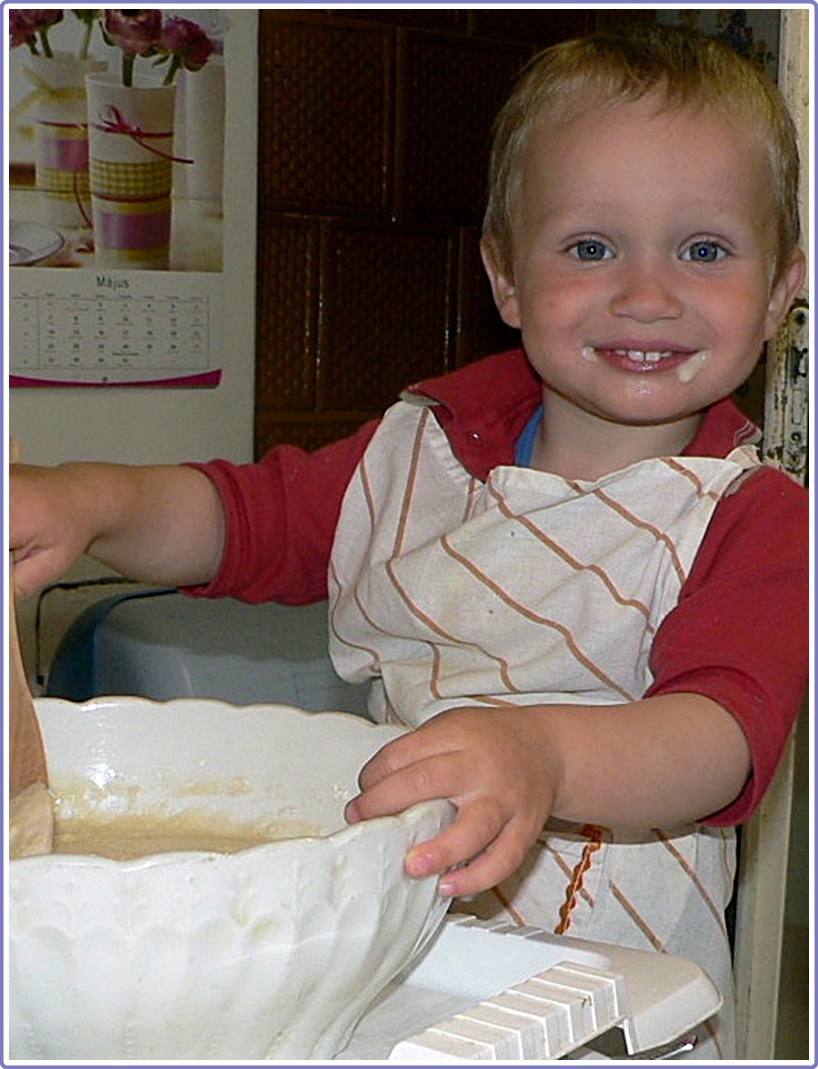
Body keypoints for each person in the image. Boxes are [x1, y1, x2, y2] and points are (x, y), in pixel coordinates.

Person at [10, 24, 807, 1059]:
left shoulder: (752, 517)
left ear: (781, 289)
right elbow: (236, 521)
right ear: (504, 275)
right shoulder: (413, 450)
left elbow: (717, 738)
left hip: (605, 1005)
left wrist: (542, 754)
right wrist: (89, 501)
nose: (645, 293)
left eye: (702, 250)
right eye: (589, 247)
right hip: (398, 961)